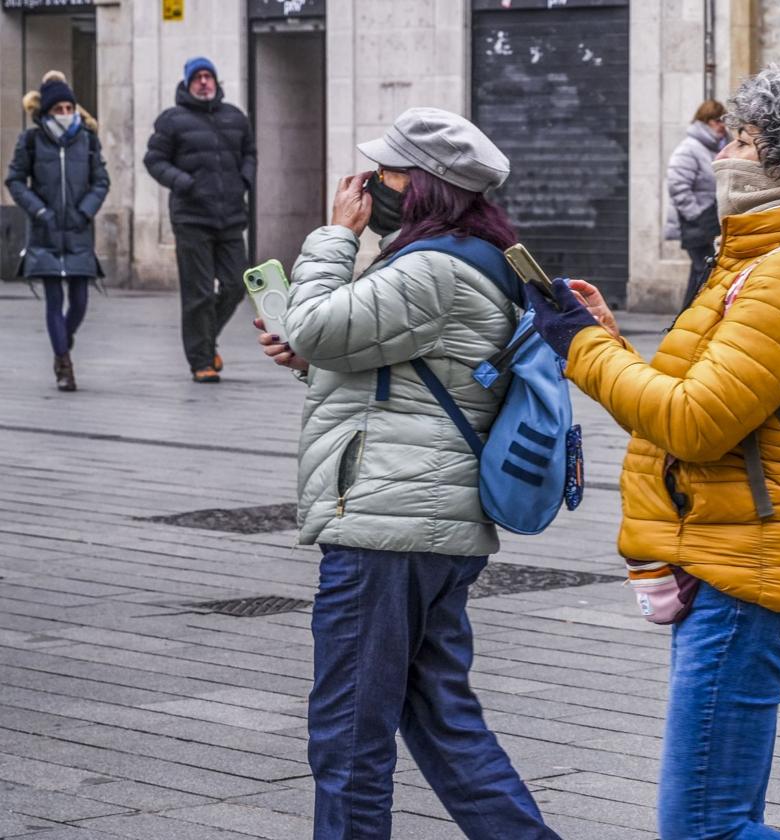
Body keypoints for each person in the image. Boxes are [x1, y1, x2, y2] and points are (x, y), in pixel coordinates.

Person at [527, 68, 780, 839]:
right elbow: (699, 409)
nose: (723, 153)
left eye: (745, 139)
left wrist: (580, 350)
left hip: (750, 572)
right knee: (722, 819)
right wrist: (609, 341)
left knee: (705, 829)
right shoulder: (755, 265)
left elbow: (691, 426)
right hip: (736, 553)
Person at [253, 108, 562, 840]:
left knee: (349, 736)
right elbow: (404, 377)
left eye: (386, 173)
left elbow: (319, 326)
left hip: (388, 530)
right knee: (443, 724)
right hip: (427, 523)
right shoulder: (472, 255)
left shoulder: (432, 266)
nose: (367, 185)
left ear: (423, 186)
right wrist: (314, 360)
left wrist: (335, 235)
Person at [145, 57, 256, 383]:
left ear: (216, 82)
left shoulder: (235, 117)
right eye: (198, 77)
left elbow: (250, 152)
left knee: (238, 284)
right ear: (188, 82)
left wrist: (244, 179)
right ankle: (201, 361)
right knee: (199, 293)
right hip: (192, 218)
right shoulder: (172, 120)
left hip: (231, 216)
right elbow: (154, 159)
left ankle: (206, 338)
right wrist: (183, 183)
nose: (204, 82)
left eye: (209, 76)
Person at [5, 71, 109, 392]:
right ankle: (63, 364)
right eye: (58, 109)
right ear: (46, 112)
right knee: (53, 298)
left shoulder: (87, 141)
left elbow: (101, 181)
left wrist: (85, 210)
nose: (64, 114)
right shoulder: (31, 140)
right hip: (45, 232)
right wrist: (39, 211)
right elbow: (15, 180)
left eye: (68, 108)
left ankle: (64, 336)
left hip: (77, 231)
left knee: (78, 301)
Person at [665, 99, 726, 305]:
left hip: (711, 222)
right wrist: (698, 216)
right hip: (698, 224)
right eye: (716, 120)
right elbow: (677, 186)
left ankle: (687, 317)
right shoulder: (690, 148)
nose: (721, 125)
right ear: (704, 121)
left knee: (702, 272)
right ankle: (689, 318)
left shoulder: (718, 146)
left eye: (723, 120)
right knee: (704, 273)